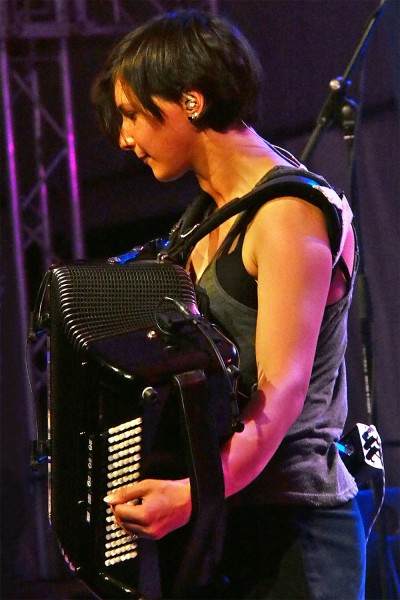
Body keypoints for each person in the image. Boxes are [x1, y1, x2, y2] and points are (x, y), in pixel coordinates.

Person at [91, 9, 366, 599]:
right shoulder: (200, 226)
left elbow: (282, 390)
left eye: (133, 114)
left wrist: (191, 496)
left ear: (190, 101)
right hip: (231, 524)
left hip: (297, 530)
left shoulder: (287, 213)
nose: (123, 137)